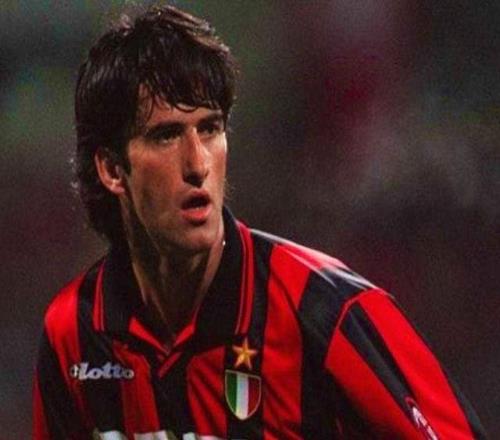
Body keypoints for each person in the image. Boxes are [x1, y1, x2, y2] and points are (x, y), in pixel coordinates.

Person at [33, 4, 487, 440]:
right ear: (112, 169)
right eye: (166, 135)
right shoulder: (73, 332)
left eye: (210, 129)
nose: (197, 164)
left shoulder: (325, 312)